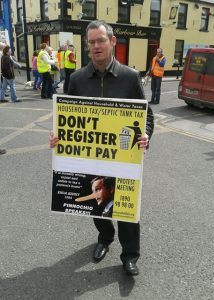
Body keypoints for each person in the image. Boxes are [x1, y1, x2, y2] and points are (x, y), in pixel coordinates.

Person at [50, 20, 154, 276]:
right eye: (92, 42)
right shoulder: (76, 79)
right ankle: (104, 238)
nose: (96, 46)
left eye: (101, 40)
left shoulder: (130, 76)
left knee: (127, 208)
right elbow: (66, 116)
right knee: (98, 201)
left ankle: (130, 255)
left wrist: (146, 135)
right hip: (91, 158)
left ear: (113, 42)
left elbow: (146, 116)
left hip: (123, 155)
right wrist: (58, 136)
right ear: (87, 46)